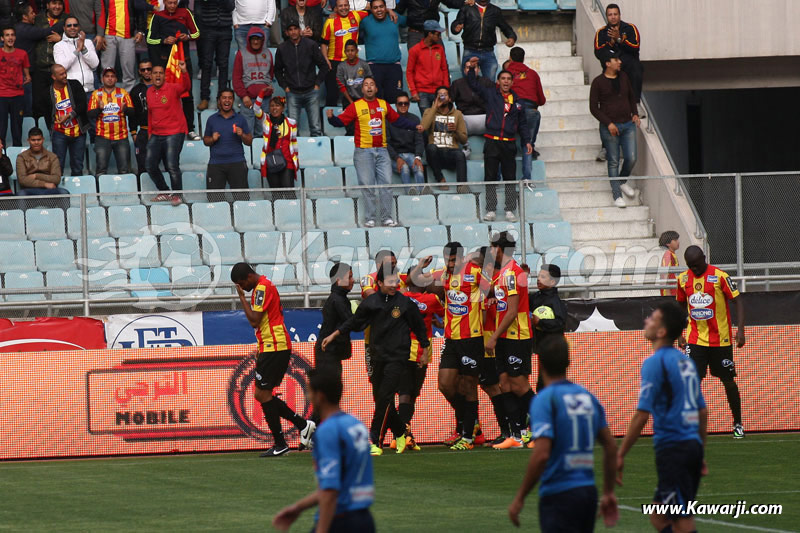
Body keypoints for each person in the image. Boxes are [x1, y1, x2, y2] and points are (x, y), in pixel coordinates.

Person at [508, 335, 619, 530]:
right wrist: (608, 491)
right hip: (587, 492)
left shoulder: (545, 399)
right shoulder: (587, 397)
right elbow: (610, 446)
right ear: (568, 363)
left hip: (558, 493)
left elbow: (542, 454)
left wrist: (520, 497)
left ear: (540, 364)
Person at [617, 301, 708, 533]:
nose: (646, 321)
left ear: (661, 331)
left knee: (681, 520)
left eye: (652, 319)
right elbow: (702, 411)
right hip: (689, 447)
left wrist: (620, 454)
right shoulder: (685, 362)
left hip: (673, 448)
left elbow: (642, 414)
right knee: (658, 516)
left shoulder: (655, 362)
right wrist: (699, 451)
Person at [321, 267, 430, 456]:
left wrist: (425, 351)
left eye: (395, 281)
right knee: (381, 399)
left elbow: (419, 327)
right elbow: (354, 322)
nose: (394, 285)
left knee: (385, 396)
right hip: (377, 356)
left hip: (398, 357)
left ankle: (375, 441)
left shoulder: (405, 303)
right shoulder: (371, 303)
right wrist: (334, 334)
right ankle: (400, 431)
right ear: (379, 283)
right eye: (389, 282)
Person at [272, 367, 376, 533]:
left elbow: (330, 490)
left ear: (320, 396)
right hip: (364, 520)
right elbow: (343, 484)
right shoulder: (356, 425)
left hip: (339, 520)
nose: (308, 397)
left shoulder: (327, 431)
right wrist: (298, 507)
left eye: (309, 392)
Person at [230, 262, 316, 457]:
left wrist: (242, 298)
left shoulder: (261, 288)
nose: (242, 288)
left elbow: (254, 320)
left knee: (262, 394)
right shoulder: (263, 287)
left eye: (242, 284)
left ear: (248, 277)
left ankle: (284, 440)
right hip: (271, 346)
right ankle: (301, 427)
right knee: (263, 394)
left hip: (275, 346)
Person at [412, 242, 488, 450]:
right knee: (445, 384)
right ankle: (470, 422)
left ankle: (468, 437)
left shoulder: (475, 272)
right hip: (451, 338)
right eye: (448, 260)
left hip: (472, 338)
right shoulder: (444, 273)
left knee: (469, 386)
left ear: (462, 258)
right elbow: (417, 280)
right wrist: (420, 266)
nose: (451, 264)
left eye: (454, 260)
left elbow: (492, 291)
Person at [326, 76, 417, 228]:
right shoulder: (356, 106)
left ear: (376, 89)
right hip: (363, 152)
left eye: (372, 84)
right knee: (367, 185)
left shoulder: (383, 104)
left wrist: (414, 126)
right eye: (366, 85)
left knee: (386, 184)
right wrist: (331, 118)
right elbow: (341, 122)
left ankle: (386, 218)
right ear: (362, 89)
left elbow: (397, 120)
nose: (369, 87)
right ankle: (370, 218)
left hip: (382, 151)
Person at [677, 245, 746, 439]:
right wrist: (679, 332)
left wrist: (740, 330)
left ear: (704, 258)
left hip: (721, 341)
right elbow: (680, 304)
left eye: (697, 265)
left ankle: (738, 423)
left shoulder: (720, 276)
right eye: (690, 266)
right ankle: (690, 427)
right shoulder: (683, 279)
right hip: (695, 340)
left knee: (728, 381)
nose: (694, 269)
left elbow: (738, 301)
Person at [466, 59, 532, 222]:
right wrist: (472, 68)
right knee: (490, 177)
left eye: (509, 79)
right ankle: (491, 210)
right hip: (492, 141)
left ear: (512, 82)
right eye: (503, 78)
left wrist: (527, 141)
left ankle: (510, 210)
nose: (506, 81)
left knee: (510, 177)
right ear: (498, 81)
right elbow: (473, 84)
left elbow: (523, 124)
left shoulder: (518, 101)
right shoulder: (491, 94)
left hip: (509, 143)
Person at [486, 231, 534, 450]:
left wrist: (493, 337)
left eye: (492, 247)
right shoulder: (502, 273)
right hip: (505, 336)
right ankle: (516, 434)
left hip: (517, 335)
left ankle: (547, 427)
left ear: (499, 248)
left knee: (519, 385)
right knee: (504, 384)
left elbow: (513, 311)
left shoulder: (512, 272)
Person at [589, 48, 640, 209]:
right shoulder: (598, 82)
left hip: (628, 124)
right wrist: (608, 123)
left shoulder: (624, 76)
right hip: (609, 127)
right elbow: (593, 108)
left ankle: (622, 180)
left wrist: (635, 113)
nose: (619, 62)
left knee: (632, 157)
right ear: (607, 63)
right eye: (616, 60)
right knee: (613, 161)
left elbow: (631, 96)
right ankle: (617, 195)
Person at [398, 276, 444, 450]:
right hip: (423, 350)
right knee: (412, 394)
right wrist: (438, 323)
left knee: (404, 393)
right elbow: (447, 314)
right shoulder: (432, 299)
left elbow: (399, 279)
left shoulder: (402, 297)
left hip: (403, 347)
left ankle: (402, 435)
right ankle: (403, 435)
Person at [146, 0, 201, 140]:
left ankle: (190, 129)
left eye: (174, 3)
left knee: (187, 94)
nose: (172, 6)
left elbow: (197, 33)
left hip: (183, 62)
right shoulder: (157, 16)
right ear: (164, 2)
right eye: (169, 3)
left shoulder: (185, 13)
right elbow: (150, 39)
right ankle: (167, 129)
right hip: (165, 63)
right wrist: (163, 40)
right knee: (166, 95)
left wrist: (187, 37)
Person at [146, 63, 191, 204]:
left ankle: (177, 195)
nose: (158, 75)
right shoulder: (149, 91)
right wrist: (150, 133)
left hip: (174, 132)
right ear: (151, 76)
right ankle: (164, 191)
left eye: (160, 73)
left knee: (171, 165)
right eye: (155, 73)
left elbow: (186, 87)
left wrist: (184, 72)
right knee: (150, 165)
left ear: (164, 76)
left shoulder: (172, 88)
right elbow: (150, 114)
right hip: (156, 134)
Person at [274, 21, 328, 137]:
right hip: (292, 92)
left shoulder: (311, 45)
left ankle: (316, 149)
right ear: (287, 33)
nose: (293, 32)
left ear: (300, 30)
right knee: (292, 131)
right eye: (290, 30)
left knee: (316, 128)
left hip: (311, 91)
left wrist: (317, 83)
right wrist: (285, 86)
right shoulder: (282, 48)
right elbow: (277, 70)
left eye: (295, 29)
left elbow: (324, 66)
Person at [14, 3, 62, 117]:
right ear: (24, 16)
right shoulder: (25, 29)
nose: (34, 14)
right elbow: (48, 32)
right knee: (27, 106)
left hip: (23, 72)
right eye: (31, 13)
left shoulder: (18, 27)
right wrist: (65, 22)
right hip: (23, 74)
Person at [203, 88, 253, 195]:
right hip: (216, 163)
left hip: (237, 162)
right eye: (224, 98)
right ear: (219, 100)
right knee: (214, 199)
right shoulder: (211, 119)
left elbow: (249, 141)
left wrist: (242, 134)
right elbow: (206, 141)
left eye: (230, 98)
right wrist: (212, 139)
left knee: (242, 199)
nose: (227, 100)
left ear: (233, 100)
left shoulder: (240, 119)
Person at [451, 0, 516, 82]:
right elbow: (456, 24)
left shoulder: (495, 11)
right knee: (468, 82)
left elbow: (505, 27)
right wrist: (455, 28)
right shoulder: (466, 9)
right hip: (470, 50)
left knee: (489, 83)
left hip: (488, 52)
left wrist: (512, 37)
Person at [418, 85, 468, 191]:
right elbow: (423, 127)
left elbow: (464, 140)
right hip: (436, 155)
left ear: (449, 98)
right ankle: (440, 180)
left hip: (451, 152)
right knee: (431, 148)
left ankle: (462, 186)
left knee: (460, 154)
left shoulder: (457, 114)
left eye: (445, 94)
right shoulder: (429, 111)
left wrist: (456, 130)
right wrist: (434, 108)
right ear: (436, 98)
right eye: (439, 95)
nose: (442, 96)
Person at [594, 3, 643, 108]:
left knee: (637, 67)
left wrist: (619, 39)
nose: (613, 17)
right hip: (611, 67)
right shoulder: (601, 32)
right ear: (607, 16)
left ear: (619, 15)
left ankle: (636, 104)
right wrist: (611, 43)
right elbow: (598, 53)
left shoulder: (630, 28)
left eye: (615, 14)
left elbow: (635, 47)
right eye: (610, 15)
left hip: (630, 66)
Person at [88, 67, 134, 176]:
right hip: (102, 137)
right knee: (101, 171)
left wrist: (125, 109)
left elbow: (132, 112)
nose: (110, 78)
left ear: (116, 79)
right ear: (102, 79)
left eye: (112, 76)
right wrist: (99, 109)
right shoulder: (96, 94)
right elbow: (90, 114)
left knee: (124, 171)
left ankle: (125, 188)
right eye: (107, 76)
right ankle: (100, 188)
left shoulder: (123, 93)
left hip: (121, 137)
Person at [320, 0, 367, 107]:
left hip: (352, 63)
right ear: (336, 8)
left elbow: (374, 10)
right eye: (340, 6)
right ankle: (330, 117)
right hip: (334, 62)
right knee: (332, 95)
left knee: (354, 95)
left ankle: (354, 116)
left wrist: (389, 10)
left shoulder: (356, 15)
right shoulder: (330, 21)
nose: (343, 8)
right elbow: (323, 44)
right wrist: (326, 60)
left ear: (349, 6)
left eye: (346, 5)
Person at [505, 46, 545, 167]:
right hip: (530, 109)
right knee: (528, 143)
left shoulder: (505, 75)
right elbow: (542, 100)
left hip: (512, 109)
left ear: (510, 58)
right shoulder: (533, 74)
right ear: (523, 59)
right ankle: (528, 173)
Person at [530, 264, 567, 393]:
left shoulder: (555, 301)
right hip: (540, 348)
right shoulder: (535, 297)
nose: (538, 279)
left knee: (551, 383)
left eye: (543, 277)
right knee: (541, 383)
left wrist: (540, 322)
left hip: (553, 349)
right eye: (538, 276)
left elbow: (560, 323)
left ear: (552, 282)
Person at [94, 0, 146, 92]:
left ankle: (127, 96)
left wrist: (141, 31)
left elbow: (139, 10)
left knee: (128, 70)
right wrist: (100, 34)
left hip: (128, 35)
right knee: (106, 69)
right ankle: (106, 95)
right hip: (108, 34)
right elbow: (99, 13)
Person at [358, 0, 404, 102]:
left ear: (385, 7)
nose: (379, 10)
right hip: (374, 67)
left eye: (381, 7)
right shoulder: (365, 21)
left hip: (394, 66)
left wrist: (390, 11)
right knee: (375, 101)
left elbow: (411, 21)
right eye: (375, 8)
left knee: (395, 100)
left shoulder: (394, 17)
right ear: (371, 9)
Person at [47, 64, 89, 177]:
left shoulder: (75, 84)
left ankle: (77, 187)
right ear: (54, 77)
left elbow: (83, 105)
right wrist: (52, 127)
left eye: (65, 72)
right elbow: (46, 112)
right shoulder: (48, 91)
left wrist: (69, 115)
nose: (65, 75)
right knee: (58, 166)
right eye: (61, 74)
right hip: (59, 133)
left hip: (78, 132)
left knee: (78, 166)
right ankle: (59, 188)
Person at [232, 27, 273, 137]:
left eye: (258, 39)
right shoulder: (241, 54)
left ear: (262, 40)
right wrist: (244, 96)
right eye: (253, 39)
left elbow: (270, 74)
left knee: (263, 133)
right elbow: (236, 78)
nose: (255, 42)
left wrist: (267, 88)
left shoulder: (268, 53)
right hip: (248, 100)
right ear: (249, 40)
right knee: (247, 132)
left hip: (265, 99)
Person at [315, 262, 355, 374]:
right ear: (338, 280)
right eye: (349, 277)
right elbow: (352, 322)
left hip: (330, 352)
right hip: (328, 353)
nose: (353, 280)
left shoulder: (339, 298)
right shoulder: (337, 300)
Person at [129, 58, 167, 176]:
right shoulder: (135, 91)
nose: (146, 72)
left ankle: (169, 188)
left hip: (162, 131)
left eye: (149, 69)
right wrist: (134, 132)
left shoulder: (164, 88)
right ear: (139, 72)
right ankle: (143, 187)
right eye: (143, 70)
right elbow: (132, 114)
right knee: (143, 165)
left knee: (168, 164)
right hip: (144, 131)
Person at [194, 0, 234, 111]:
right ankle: (204, 98)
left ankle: (221, 98)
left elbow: (231, 6)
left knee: (223, 64)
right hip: (208, 29)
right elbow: (203, 3)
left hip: (225, 29)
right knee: (206, 64)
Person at [255, 94, 298, 196]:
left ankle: (292, 208)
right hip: (271, 161)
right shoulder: (266, 120)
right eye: (272, 106)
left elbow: (294, 142)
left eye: (277, 105)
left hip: (287, 161)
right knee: (276, 194)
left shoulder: (291, 123)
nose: (274, 108)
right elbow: (256, 109)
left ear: (282, 108)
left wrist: (296, 160)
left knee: (289, 193)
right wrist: (261, 93)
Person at [31, 0, 67, 123]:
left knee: (57, 103)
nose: (57, 7)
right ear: (47, 5)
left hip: (57, 70)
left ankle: (57, 129)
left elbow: (75, 40)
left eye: (60, 4)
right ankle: (39, 131)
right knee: (39, 104)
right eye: (54, 3)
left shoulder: (67, 20)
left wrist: (61, 39)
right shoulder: (37, 19)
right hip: (39, 69)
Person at [406, 20, 449, 113]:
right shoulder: (415, 50)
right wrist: (413, 91)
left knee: (440, 119)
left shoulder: (440, 49)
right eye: (437, 34)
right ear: (430, 34)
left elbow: (444, 69)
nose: (439, 37)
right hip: (422, 92)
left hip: (439, 91)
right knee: (427, 119)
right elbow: (409, 72)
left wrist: (445, 89)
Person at [52, 16, 100, 99]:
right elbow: (62, 67)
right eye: (69, 25)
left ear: (79, 27)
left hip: (90, 89)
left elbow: (95, 64)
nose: (72, 27)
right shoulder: (58, 46)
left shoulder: (88, 42)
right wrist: (77, 50)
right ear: (64, 28)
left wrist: (83, 48)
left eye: (75, 25)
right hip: (72, 91)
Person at [387, 92, 425, 194]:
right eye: (400, 103)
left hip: (411, 154)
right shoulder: (388, 120)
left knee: (418, 168)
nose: (403, 105)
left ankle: (423, 193)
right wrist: (397, 158)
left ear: (409, 104)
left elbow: (419, 140)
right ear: (396, 105)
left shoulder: (415, 119)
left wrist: (418, 157)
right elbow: (386, 143)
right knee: (404, 168)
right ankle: (410, 193)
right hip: (394, 156)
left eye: (406, 103)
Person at [0, 27, 31, 147]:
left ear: (15, 37)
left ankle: (17, 154)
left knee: (17, 128)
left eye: (12, 35)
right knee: (1, 128)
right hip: (1, 95)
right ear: (2, 38)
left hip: (18, 95)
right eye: (7, 35)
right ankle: (1, 155)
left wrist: (26, 78)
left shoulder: (22, 53)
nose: (10, 37)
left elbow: (27, 76)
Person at [15, 127, 68, 196]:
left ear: (43, 139)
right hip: (30, 189)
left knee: (64, 193)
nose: (36, 142)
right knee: (21, 194)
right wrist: (44, 184)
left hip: (50, 190)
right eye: (33, 140)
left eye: (39, 140)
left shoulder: (52, 157)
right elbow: (22, 180)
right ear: (28, 140)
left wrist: (36, 176)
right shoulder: (22, 157)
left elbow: (56, 179)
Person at [450, 63, 494, 136]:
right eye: (468, 67)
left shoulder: (486, 82)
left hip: (484, 117)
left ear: (478, 69)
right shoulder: (457, 83)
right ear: (464, 70)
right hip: (464, 118)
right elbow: (449, 101)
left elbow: (494, 99)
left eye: (474, 67)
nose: (471, 70)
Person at [336, 40, 372, 107]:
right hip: (348, 99)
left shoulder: (364, 64)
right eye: (348, 51)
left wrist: (365, 100)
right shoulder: (341, 66)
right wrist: (351, 102)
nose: (350, 53)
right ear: (345, 52)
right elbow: (341, 86)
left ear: (357, 51)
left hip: (364, 98)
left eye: (352, 50)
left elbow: (370, 82)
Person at [659, 230, 680, 297]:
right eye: (675, 240)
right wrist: (668, 294)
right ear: (668, 243)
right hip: (670, 292)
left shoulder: (672, 254)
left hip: (674, 290)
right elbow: (664, 276)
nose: (678, 242)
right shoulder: (668, 255)